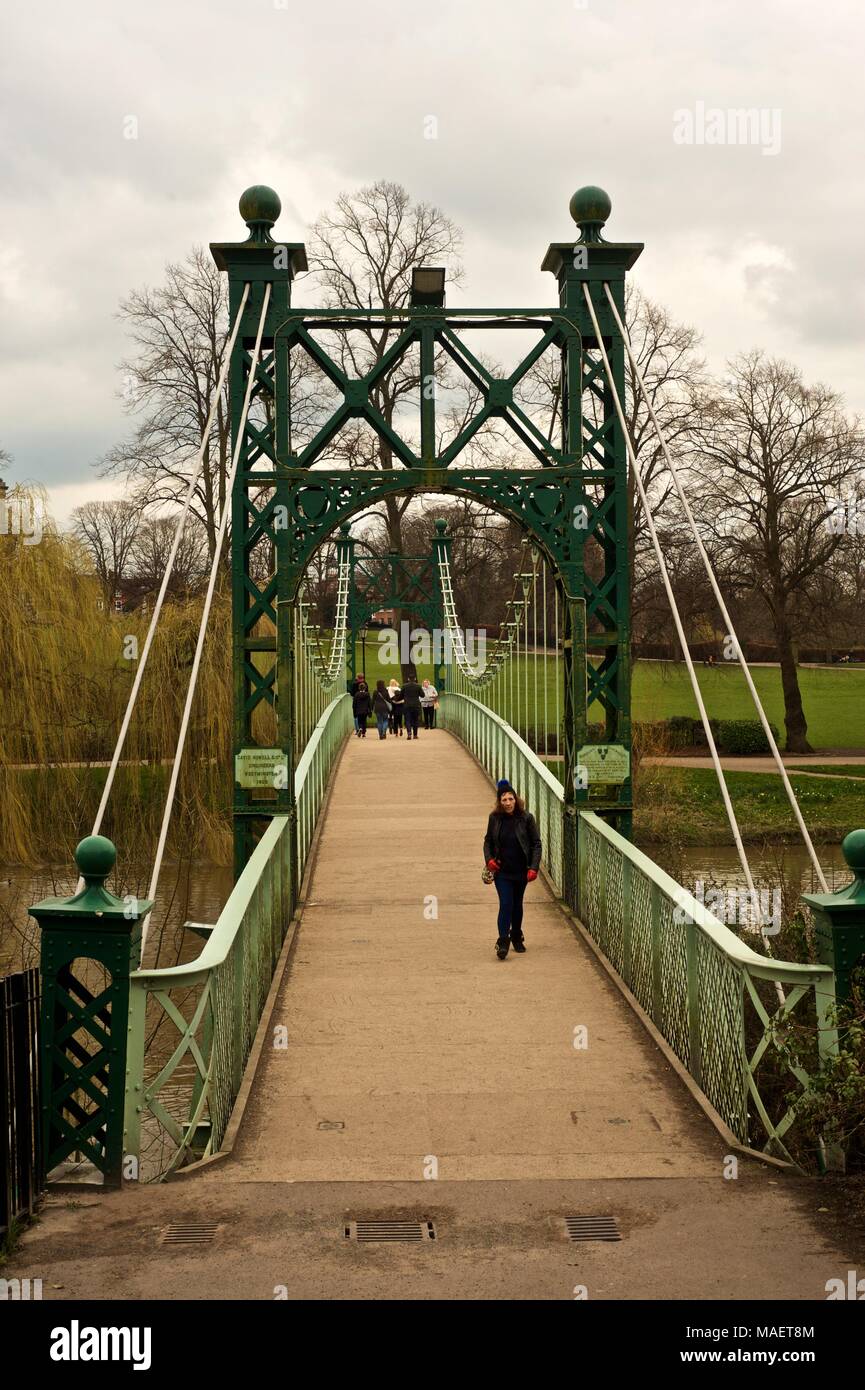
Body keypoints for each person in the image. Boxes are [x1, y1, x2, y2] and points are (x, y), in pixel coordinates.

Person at [483, 779, 542, 960]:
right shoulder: (494, 819)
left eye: (511, 799)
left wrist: (533, 867)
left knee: (517, 905)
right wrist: (489, 860)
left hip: (521, 871)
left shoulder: (526, 818)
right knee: (506, 904)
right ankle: (503, 942)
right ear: (499, 802)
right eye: (504, 800)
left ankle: (516, 935)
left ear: (516, 800)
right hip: (502, 871)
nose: (508, 803)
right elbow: (488, 841)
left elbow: (536, 844)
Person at [399, 671, 423, 740]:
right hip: (416, 705)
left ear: (408, 679)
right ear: (415, 679)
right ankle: (415, 735)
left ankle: (409, 733)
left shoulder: (404, 686)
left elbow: (401, 696)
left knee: (407, 720)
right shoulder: (418, 686)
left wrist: (397, 699)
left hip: (407, 705)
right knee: (415, 720)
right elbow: (422, 695)